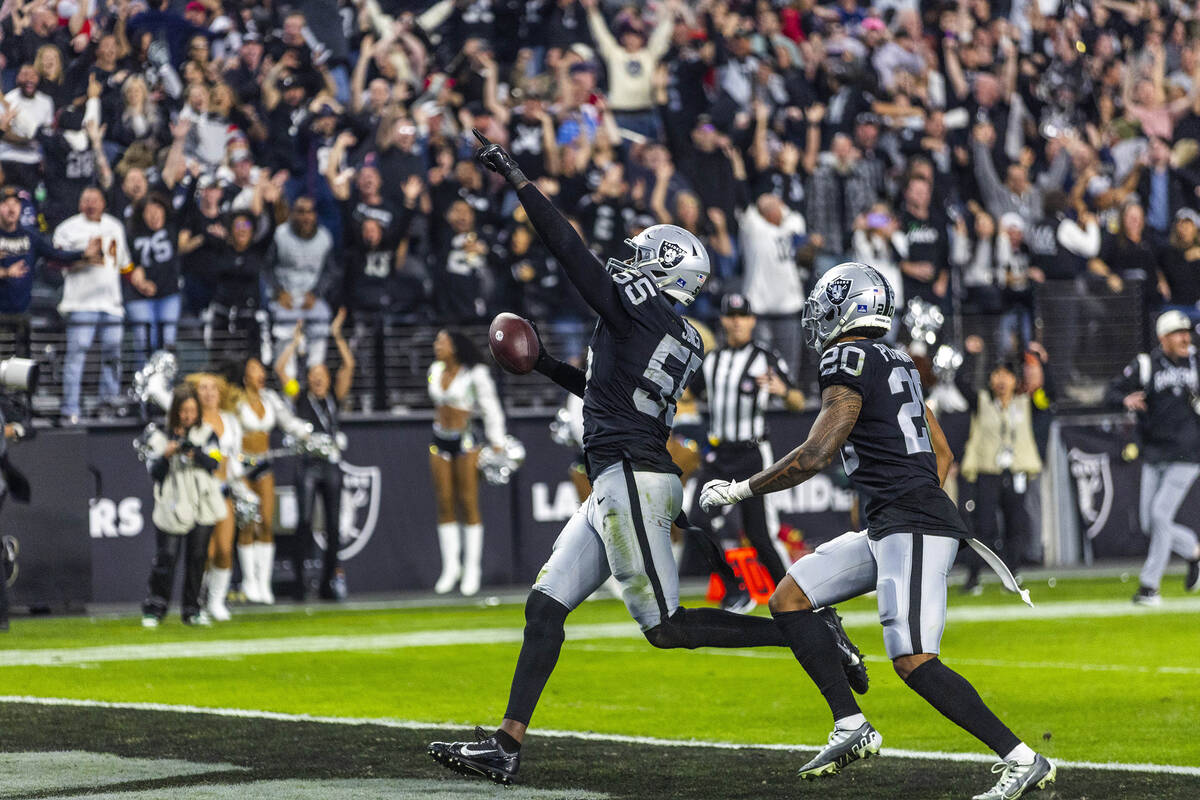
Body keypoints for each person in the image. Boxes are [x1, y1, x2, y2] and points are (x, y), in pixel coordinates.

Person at [426, 134, 866, 787]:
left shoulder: (640, 310)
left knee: (667, 627)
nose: (625, 262)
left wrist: (518, 178)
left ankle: (806, 630)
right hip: (622, 470)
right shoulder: (678, 333)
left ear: (662, 270)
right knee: (545, 607)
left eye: (638, 256)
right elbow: (613, 394)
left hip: (630, 475)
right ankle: (506, 745)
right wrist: (548, 365)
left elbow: (570, 252)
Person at [700, 263, 1055, 799]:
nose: (817, 315)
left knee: (913, 660)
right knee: (790, 597)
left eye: (826, 303)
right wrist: (908, 499)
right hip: (897, 521)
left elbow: (816, 453)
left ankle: (1022, 757)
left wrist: (740, 490)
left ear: (847, 306)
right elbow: (942, 452)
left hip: (909, 523)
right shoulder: (899, 361)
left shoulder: (846, 356)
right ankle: (850, 723)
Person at [685, 293, 804, 612]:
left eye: (742, 315)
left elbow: (798, 402)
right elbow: (687, 394)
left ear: (752, 320)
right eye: (731, 315)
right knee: (695, 521)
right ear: (723, 321)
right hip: (719, 454)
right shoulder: (711, 361)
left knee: (759, 533)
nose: (736, 321)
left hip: (752, 454)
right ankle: (735, 589)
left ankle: (796, 599)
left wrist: (783, 392)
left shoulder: (765, 357)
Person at [1105, 310, 1200, 605]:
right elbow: (1110, 392)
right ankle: (1194, 552)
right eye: (1178, 333)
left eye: (1187, 332)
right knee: (1150, 523)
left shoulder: (1197, 362)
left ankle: (1149, 587)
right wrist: (1125, 399)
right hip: (1154, 453)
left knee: (1160, 515)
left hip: (1188, 454)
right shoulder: (1146, 365)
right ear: (1163, 338)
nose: (1185, 337)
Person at [275, 309, 355, 601]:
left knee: (333, 526)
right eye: (314, 375)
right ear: (309, 378)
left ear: (328, 379)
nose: (318, 380)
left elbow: (349, 365)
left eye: (322, 375)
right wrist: (295, 344)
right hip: (309, 465)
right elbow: (282, 372)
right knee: (304, 523)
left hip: (331, 466)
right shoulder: (300, 398)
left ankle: (328, 582)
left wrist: (337, 337)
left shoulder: (334, 399)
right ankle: (300, 581)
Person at [956, 336, 1044, 593]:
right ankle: (973, 577)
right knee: (982, 527)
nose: (1002, 379)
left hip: (1015, 471)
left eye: (1007, 374)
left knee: (1016, 525)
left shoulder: (1026, 403)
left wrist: (1040, 362)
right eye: (997, 374)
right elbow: (961, 383)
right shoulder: (981, 402)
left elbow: (1051, 393)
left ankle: (1012, 575)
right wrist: (970, 356)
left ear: (1016, 380)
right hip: (988, 472)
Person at [427, 329, 507, 597]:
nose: (437, 345)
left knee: (468, 501)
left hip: (466, 440)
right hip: (440, 438)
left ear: (456, 346)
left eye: (442, 341)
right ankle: (451, 567)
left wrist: (497, 441)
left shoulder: (476, 373)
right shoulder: (435, 369)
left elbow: (491, 407)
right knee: (444, 501)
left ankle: (472, 569)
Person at [140, 384, 227, 628]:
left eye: (192, 410)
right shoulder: (160, 435)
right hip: (173, 499)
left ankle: (192, 609)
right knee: (167, 557)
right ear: (176, 411)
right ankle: (155, 608)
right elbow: (154, 472)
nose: (188, 416)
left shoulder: (208, 433)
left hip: (202, 500)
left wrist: (195, 454)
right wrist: (167, 455)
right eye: (184, 410)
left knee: (198, 557)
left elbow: (214, 463)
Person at [52, 186, 134, 423]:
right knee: (77, 355)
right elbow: (55, 264)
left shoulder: (115, 226)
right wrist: (82, 258)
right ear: (79, 203)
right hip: (80, 303)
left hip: (112, 303)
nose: (90, 204)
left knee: (113, 356)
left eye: (95, 199)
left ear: (103, 203)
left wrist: (138, 279)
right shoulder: (68, 228)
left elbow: (124, 264)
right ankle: (70, 409)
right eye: (85, 199)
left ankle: (107, 406)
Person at [234, 356, 309, 605]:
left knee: (266, 523)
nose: (260, 374)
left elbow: (288, 423)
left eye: (261, 370)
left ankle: (264, 583)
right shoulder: (236, 401)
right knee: (247, 524)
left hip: (265, 466)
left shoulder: (271, 399)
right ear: (245, 377)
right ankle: (249, 581)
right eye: (254, 370)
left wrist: (307, 432)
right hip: (243, 468)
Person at [187, 371, 244, 622]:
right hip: (200, 491)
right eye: (203, 388)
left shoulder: (231, 421)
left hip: (224, 490)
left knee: (224, 549)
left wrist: (242, 485)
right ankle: (198, 599)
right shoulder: (192, 420)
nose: (209, 393)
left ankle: (216, 601)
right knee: (204, 552)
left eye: (213, 388)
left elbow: (236, 459)